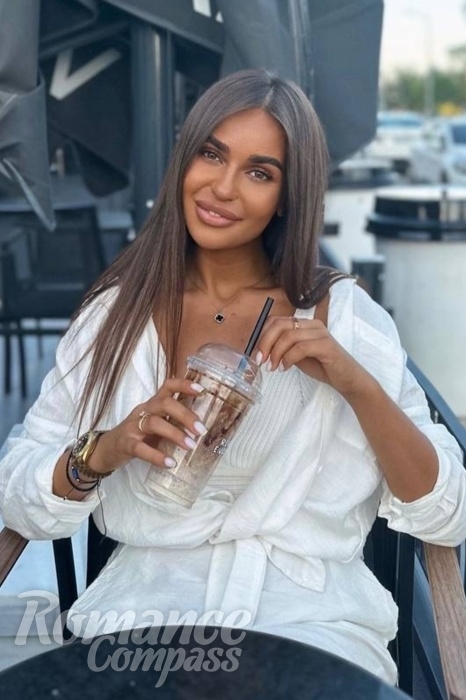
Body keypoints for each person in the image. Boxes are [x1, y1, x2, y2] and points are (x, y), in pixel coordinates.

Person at [1, 68, 465, 685]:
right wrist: (105, 449)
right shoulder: (117, 316)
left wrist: (355, 383)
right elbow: (16, 490)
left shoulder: (344, 317)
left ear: (287, 197)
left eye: (259, 173)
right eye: (211, 154)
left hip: (312, 623)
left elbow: (446, 514)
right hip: (146, 619)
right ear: (184, 160)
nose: (222, 188)